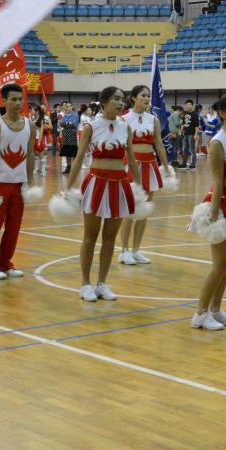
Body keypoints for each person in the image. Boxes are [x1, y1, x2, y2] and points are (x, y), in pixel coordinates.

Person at [66, 87, 138, 302]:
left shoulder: (126, 127)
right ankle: (85, 284)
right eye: (116, 99)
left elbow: (131, 159)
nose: (121, 103)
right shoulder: (91, 126)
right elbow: (79, 158)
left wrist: (140, 186)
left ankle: (101, 283)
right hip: (96, 183)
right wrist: (68, 187)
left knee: (110, 238)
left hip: (119, 184)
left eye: (123, 99)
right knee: (90, 236)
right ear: (104, 102)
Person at [191, 95, 226, 331]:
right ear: (222, 114)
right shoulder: (217, 142)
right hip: (222, 203)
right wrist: (214, 216)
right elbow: (217, 181)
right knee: (219, 264)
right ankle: (200, 314)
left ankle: (216, 309)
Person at [0, 83, 35, 280]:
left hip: (19, 183)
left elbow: (30, 154)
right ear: (4, 101)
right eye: (13, 99)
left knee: (14, 227)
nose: (18, 103)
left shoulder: (29, 124)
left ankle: (5, 263)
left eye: (20, 99)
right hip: (0, 183)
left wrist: (30, 180)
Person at [119, 85, 171, 266]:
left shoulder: (153, 119)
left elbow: (159, 144)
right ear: (133, 98)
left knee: (144, 210)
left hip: (150, 165)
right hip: (131, 165)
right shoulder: (124, 119)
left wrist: (166, 167)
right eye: (143, 95)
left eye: (149, 96)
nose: (147, 98)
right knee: (129, 210)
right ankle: (124, 250)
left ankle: (136, 250)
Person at [180, 99, 198, 170]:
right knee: (184, 149)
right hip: (185, 134)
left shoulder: (195, 114)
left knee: (191, 149)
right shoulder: (185, 114)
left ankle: (193, 164)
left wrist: (196, 134)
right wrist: (181, 131)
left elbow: (197, 126)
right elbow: (183, 123)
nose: (187, 106)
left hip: (191, 134)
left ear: (192, 105)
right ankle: (184, 163)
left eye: (188, 105)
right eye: (186, 105)